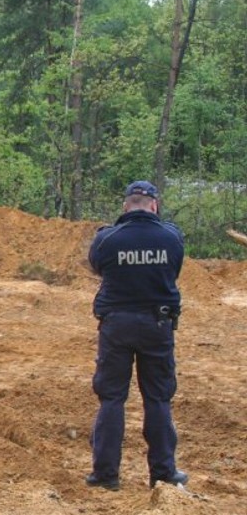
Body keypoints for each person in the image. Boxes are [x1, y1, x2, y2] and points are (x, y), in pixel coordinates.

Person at [86, 180, 188, 491]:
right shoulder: (172, 238)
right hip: (158, 325)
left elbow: (96, 267)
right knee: (157, 398)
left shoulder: (107, 239)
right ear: (154, 205)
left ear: (125, 205)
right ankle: (163, 473)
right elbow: (174, 270)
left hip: (116, 325)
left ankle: (106, 476)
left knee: (112, 398)